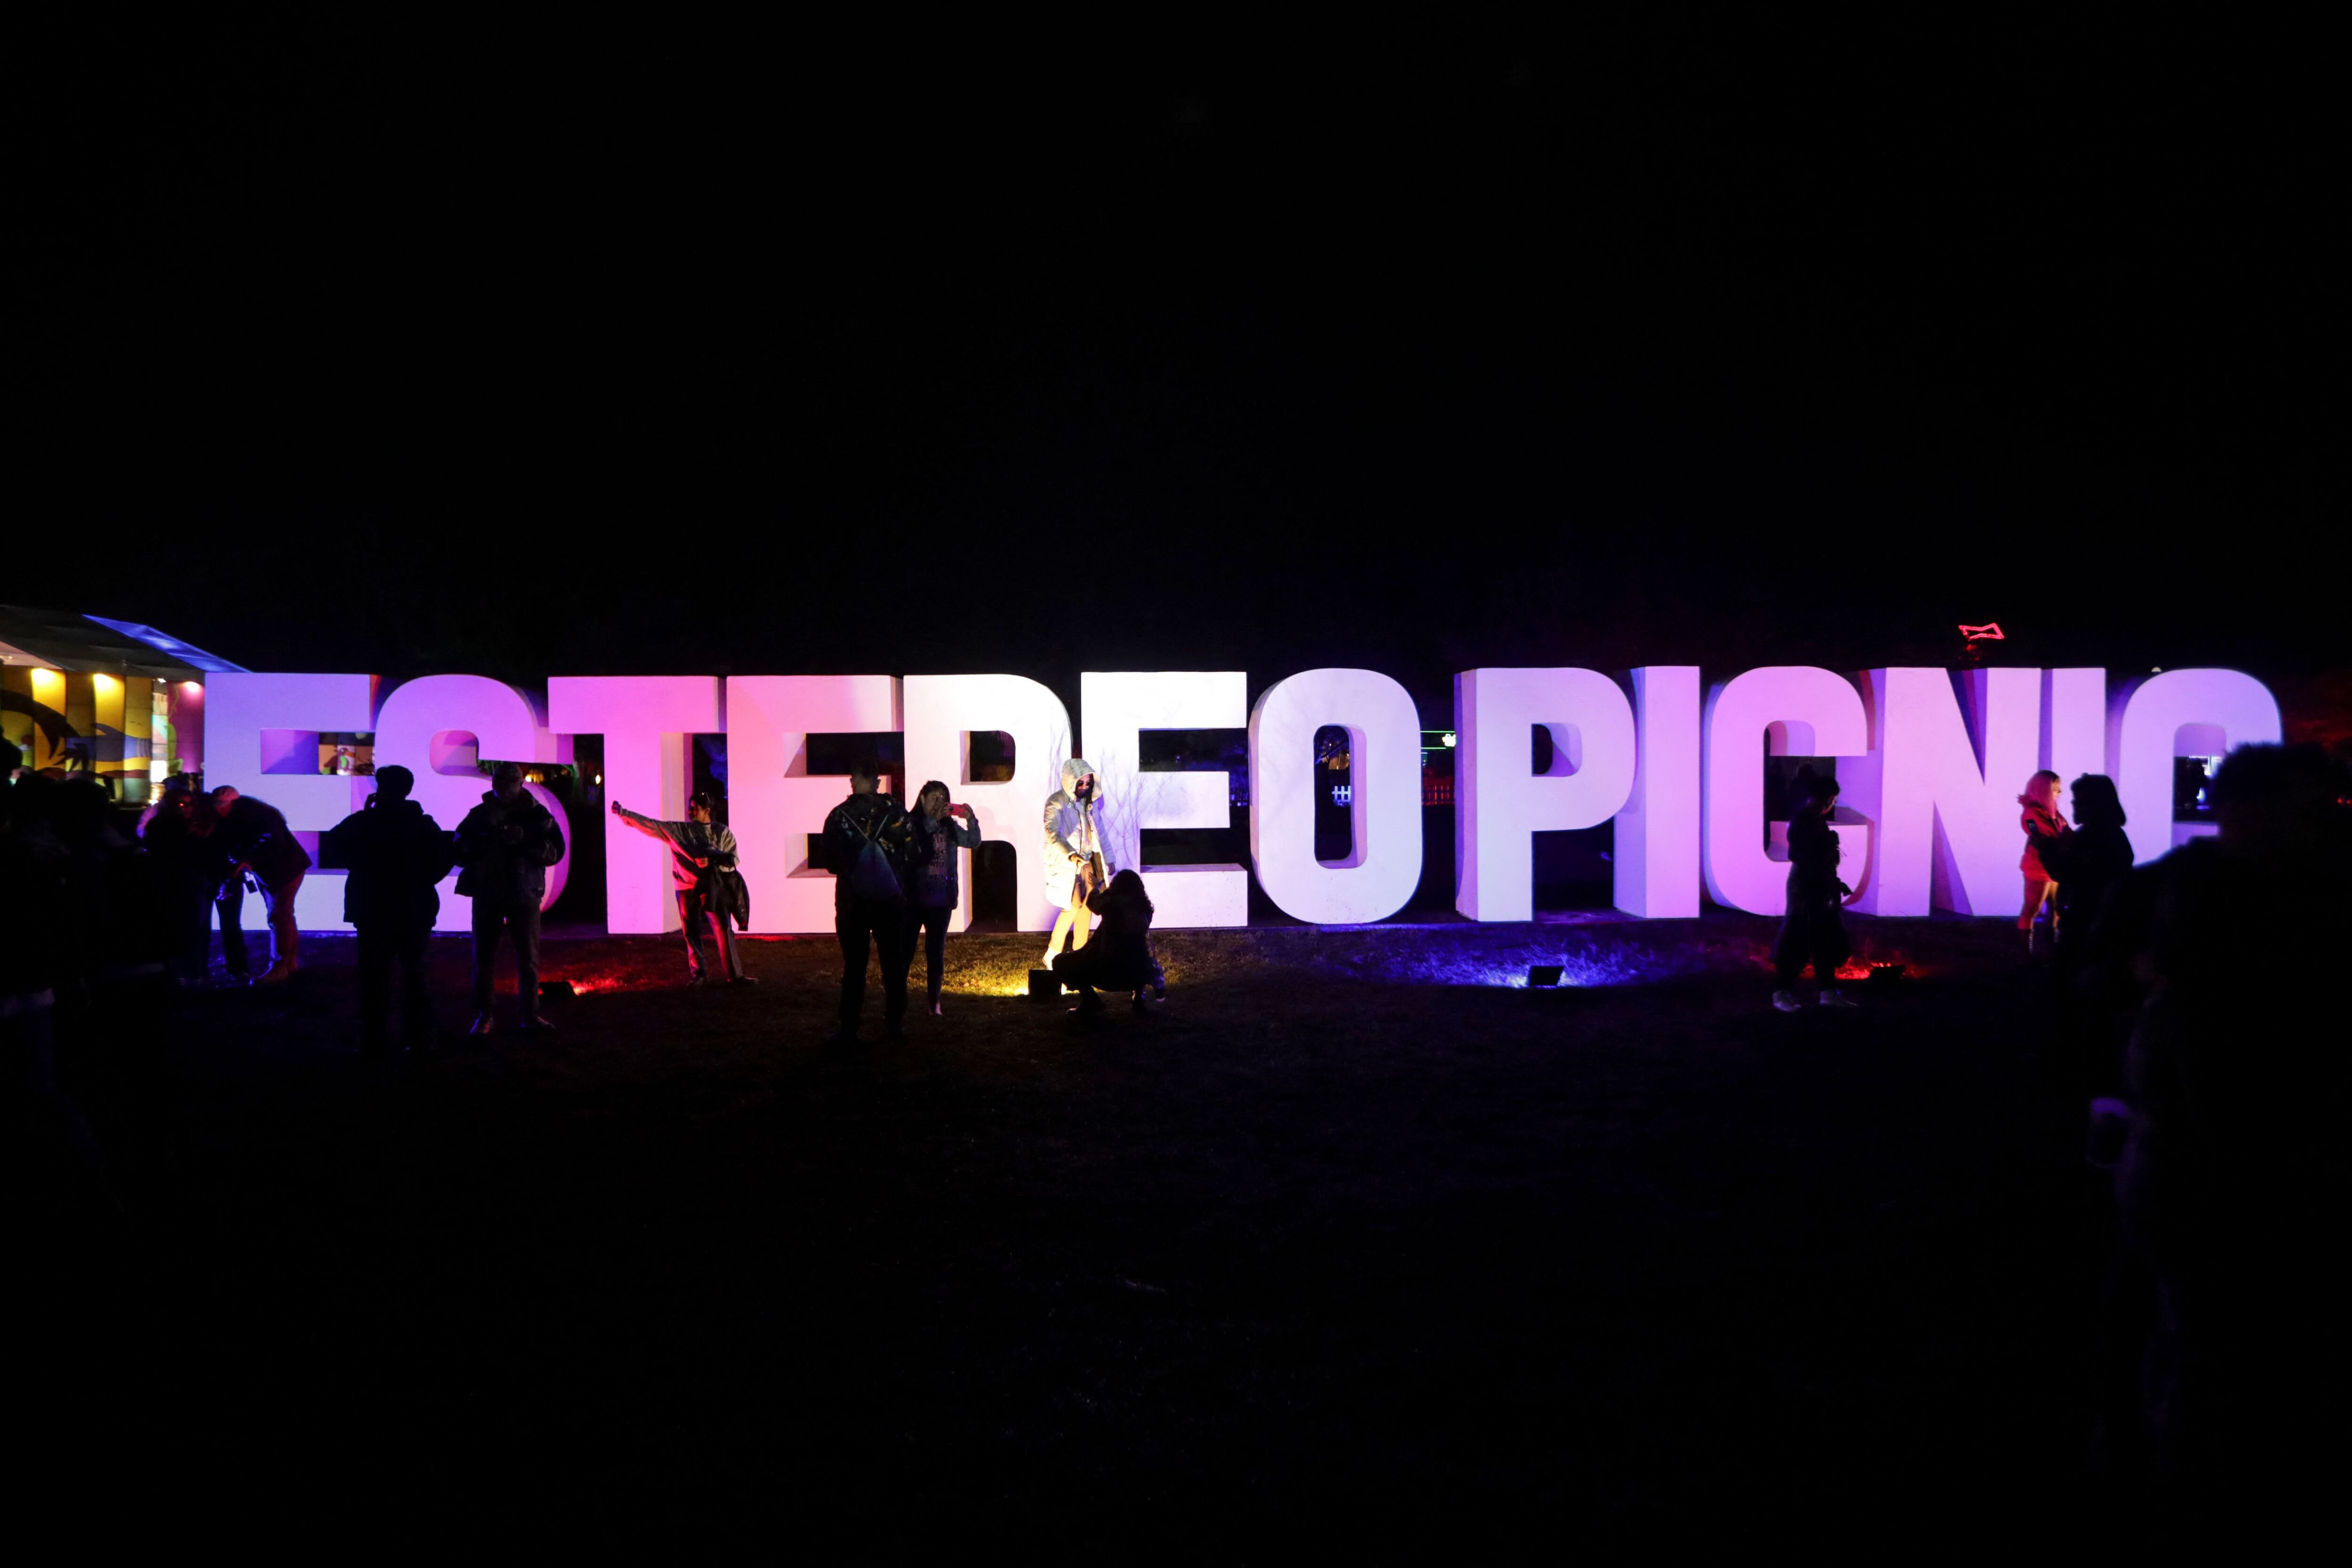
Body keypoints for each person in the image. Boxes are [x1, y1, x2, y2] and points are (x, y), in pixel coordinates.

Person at [322, 765, 456, 1057]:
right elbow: (443, 860)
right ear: (408, 790)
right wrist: (421, 880)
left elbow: (333, 845)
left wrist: (359, 865)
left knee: (374, 977)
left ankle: (374, 1041)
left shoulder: (363, 822)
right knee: (415, 974)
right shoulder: (423, 825)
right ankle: (420, 1039)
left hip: (372, 908)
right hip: (414, 908)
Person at [453, 762, 564, 1034]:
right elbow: (459, 849)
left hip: (522, 893)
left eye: (509, 781)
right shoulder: (480, 816)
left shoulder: (538, 816)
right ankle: (487, 1015)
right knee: (485, 958)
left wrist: (525, 841)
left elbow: (556, 852)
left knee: (526, 959)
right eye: (501, 781)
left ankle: (527, 1015)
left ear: (520, 782)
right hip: (492, 893)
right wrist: (488, 842)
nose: (504, 786)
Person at [818, 762, 914, 1043]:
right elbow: (913, 851)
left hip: (853, 902)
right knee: (893, 964)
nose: (850, 781)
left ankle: (849, 1028)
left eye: (853, 777)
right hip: (890, 900)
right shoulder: (896, 811)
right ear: (877, 782)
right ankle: (895, 1025)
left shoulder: (839, 816)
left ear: (859, 780)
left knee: (855, 966)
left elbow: (830, 862)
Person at [612, 790, 751, 985]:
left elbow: (733, 860)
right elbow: (652, 825)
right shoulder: (679, 831)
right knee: (691, 931)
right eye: (690, 807)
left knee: (723, 927)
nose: (690, 811)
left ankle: (735, 976)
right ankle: (699, 975)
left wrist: (711, 860)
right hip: (686, 887)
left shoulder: (722, 832)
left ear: (708, 810)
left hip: (714, 887)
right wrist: (625, 813)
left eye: (695, 808)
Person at [1770, 768, 1857, 1011]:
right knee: (1798, 939)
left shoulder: (1813, 819)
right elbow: (1798, 854)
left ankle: (1827, 993)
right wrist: (1825, 851)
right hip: (1806, 888)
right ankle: (1781, 994)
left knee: (1824, 939)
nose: (1833, 804)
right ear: (1828, 798)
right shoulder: (1805, 821)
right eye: (1833, 799)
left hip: (1817, 886)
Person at [212, 784, 312, 982]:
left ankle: (280, 967)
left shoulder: (256, 818)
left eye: (221, 806)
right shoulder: (256, 815)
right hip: (284, 868)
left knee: (279, 916)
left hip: (284, 870)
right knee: (284, 915)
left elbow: (271, 844)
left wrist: (245, 858)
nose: (218, 810)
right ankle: (289, 963)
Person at [900, 780, 982, 1016]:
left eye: (943, 799)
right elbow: (913, 851)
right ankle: (898, 999)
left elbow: (973, 842)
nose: (939, 803)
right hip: (914, 899)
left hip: (941, 900)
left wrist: (971, 818)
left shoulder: (949, 826)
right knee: (905, 951)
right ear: (923, 799)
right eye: (934, 798)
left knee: (935, 952)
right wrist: (932, 821)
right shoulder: (912, 824)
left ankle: (934, 1003)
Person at [1052, 868, 1159, 1013]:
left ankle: (1090, 1000)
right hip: (1139, 972)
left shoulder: (1111, 904)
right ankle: (1139, 999)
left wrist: (1096, 887)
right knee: (1136, 952)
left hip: (1106, 972)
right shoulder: (1144, 909)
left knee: (1060, 962)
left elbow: (1093, 904)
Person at [1041, 757, 1113, 967]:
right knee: (1072, 906)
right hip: (1067, 864)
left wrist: (1109, 859)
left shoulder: (1089, 805)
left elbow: (1100, 834)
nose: (1084, 787)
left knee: (1088, 907)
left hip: (1088, 862)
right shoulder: (1057, 802)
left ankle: (1080, 955)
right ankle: (1053, 953)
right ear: (1070, 781)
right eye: (1080, 783)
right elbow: (1052, 832)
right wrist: (1070, 855)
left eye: (1088, 783)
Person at [139, 786, 214, 986]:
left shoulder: (187, 826)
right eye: (182, 804)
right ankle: (182, 972)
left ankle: (194, 972)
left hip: (190, 884)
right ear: (170, 805)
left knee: (196, 929)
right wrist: (198, 840)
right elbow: (175, 854)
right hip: (174, 885)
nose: (187, 808)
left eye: (190, 804)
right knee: (183, 928)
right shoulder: (163, 827)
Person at [2018, 768, 2069, 953]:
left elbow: (2065, 834)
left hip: (2054, 868)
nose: (2060, 793)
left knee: (2057, 909)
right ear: (2044, 790)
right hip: (2038, 868)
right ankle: (2026, 952)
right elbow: (2037, 833)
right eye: (2056, 789)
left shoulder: (2054, 814)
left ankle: (2053, 948)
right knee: (2033, 908)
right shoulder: (2031, 814)